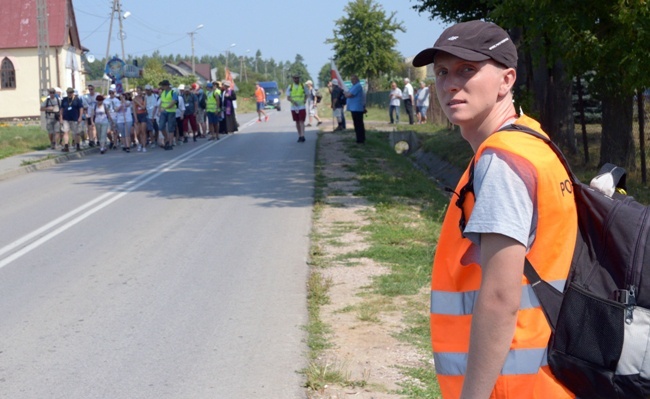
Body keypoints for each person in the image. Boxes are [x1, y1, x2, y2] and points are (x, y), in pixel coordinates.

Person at [412, 20, 577, 398]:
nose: (450, 83)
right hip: (547, 375)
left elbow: (502, 297)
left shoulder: (501, 162)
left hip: (513, 385)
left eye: (467, 69)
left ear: (507, 80)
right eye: (442, 72)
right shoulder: (533, 140)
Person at [59, 87, 84, 152]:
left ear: (73, 93)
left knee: (76, 133)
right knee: (65, 132)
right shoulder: (64, 100)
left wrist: (80, 117)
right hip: (66, 119)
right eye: (68, 93)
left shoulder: (77, 99)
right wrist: (61, 118)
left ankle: (77, 145)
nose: (69, 94)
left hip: (75, 118)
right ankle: (66, 146)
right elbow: (61, 109)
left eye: (71, 92)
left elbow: (81, 108)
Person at [344, 75, 365, 144]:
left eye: (353, 79)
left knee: (359, 124)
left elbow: (349, 95)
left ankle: (360, 139)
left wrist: (345, 93)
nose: (351, 81)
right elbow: (348, 93)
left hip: (357, 108)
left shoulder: (357, 86)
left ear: (356, 79)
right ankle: (359, 138)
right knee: (356, 124)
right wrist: (346, 93)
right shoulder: (353, 86)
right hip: (354, 108)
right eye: (351, 80)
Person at [157, 80, 178, 150]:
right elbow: (161, 101)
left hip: (171, 111)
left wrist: (166, 107)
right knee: (161, 126)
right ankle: (167, 138)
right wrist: (159, 109)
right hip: (163, 111)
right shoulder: (163, 93)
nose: (162, 87)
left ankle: (170, 143)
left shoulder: (173, 92)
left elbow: (174, 101)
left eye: (163, 85)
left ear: (167, 86)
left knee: (170, 128)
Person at [286, 74, 307, 142]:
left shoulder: (303, 86)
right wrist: (293, 101)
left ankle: (303, 135)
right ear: (293, 79)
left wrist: (305, 99)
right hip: (294, 107)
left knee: (302, 121)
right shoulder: (290, 86)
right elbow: (288, 97)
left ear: (299, 78)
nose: (296, 79)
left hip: (302, 106)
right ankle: (299, 135)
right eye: (295, 78)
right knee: (297, 121)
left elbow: (307, 94)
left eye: (297, 78)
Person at [132, 87, 149, 152]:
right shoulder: (134, 99)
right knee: (138, 132)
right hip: (137, 115)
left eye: (139, 91)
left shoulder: (144, 98)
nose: (138, 92)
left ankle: (144, 146)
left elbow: (143, 107)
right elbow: (134, 109)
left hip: (143, 115)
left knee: (143, 131)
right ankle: (140, 143)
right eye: (137, 91)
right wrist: (135, 118)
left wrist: (137, 102)